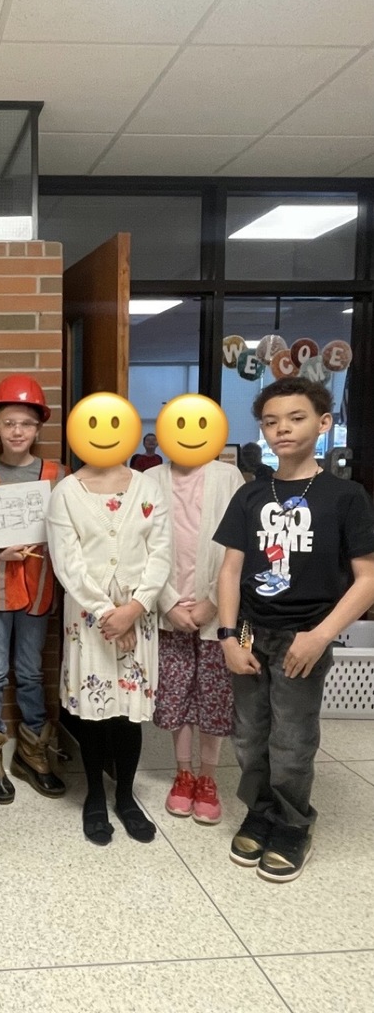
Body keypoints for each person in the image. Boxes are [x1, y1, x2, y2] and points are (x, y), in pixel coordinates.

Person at [214, 377, 374, 883]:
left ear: (323, 423)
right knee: (248, 735)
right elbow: (229, 572)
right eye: (271, 421)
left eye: (296, 418)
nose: (282, 428)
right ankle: (259, 811)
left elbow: (368, 579)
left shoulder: (345, 496)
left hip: (304, 636)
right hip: (248, 631)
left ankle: (292, 823)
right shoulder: (249, 495)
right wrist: (227, 637)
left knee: (291, 739)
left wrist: (320, 636)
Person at [47, 445, 171, 845]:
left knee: (128, 714)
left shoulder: (147, 487)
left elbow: (161, 552)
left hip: (139, 610)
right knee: (94, 713)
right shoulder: (66, 491)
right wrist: (107, 613)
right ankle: (95, 796)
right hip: (89, 616)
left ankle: (125, 795)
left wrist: (134, 608)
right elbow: (67, 562)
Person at [0, 375, 67, 804]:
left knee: (29, 672)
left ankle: (32, 751)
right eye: (9, 423)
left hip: (38, 587)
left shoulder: (57, 475)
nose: (17, 431)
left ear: (39, 427)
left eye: (26, 423)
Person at [145, 455, 245, 824]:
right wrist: (167, 602)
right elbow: (140, 546)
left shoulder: (228, 476)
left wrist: (213, 603)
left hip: (217, 612)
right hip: (168, 609)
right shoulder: (150, 478)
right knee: (176, 693)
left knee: (214, 695)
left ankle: (208, 777)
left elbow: (242, 545)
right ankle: (183, 773)